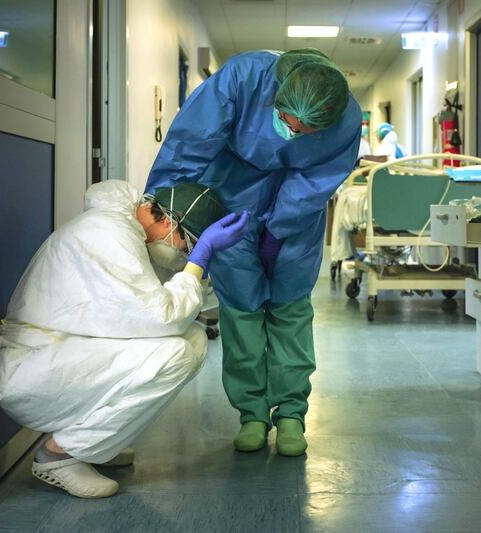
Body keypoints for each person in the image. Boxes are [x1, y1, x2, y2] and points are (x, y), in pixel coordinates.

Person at [147, 49, 361, 457]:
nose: (292, 133)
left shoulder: (346, 118)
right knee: (241, 307)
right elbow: (191, 140)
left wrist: (279, 230)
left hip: (298, 208)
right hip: (230, 191)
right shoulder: (246, 77)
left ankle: (292, 413)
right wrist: (164, 204)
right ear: (276, 98)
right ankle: (252, 413)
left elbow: (317, 180)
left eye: (305, 132)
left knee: (290, 304)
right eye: (285, 122)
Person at [0, 180, 249, 498]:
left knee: (192, 338)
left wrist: (197, 265)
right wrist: (198, 264)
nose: (185, 254)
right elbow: (161, 317)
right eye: (188, 245)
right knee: (176, 353)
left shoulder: (126, 231)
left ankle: (93, 441)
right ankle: (58, 455)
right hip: (29, 371)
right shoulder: (109, 235)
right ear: (168, 221)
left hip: (57, 354)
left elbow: (155, 307)